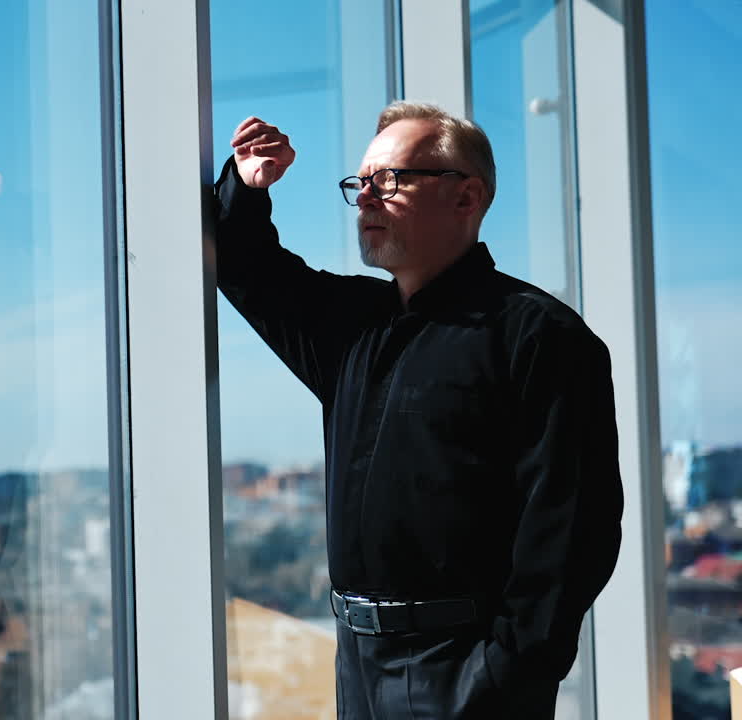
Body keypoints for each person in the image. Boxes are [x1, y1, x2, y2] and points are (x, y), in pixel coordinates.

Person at [214, 102, 624, 718]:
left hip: (467, 670)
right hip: (355, 662)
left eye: (392, 179)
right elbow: (245, 267)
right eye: (361, 183)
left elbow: (572, 530)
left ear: (467, 197)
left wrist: (505, 674)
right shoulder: (352, 327)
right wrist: (246, 185)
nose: (368, 199)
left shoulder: (540, 336)